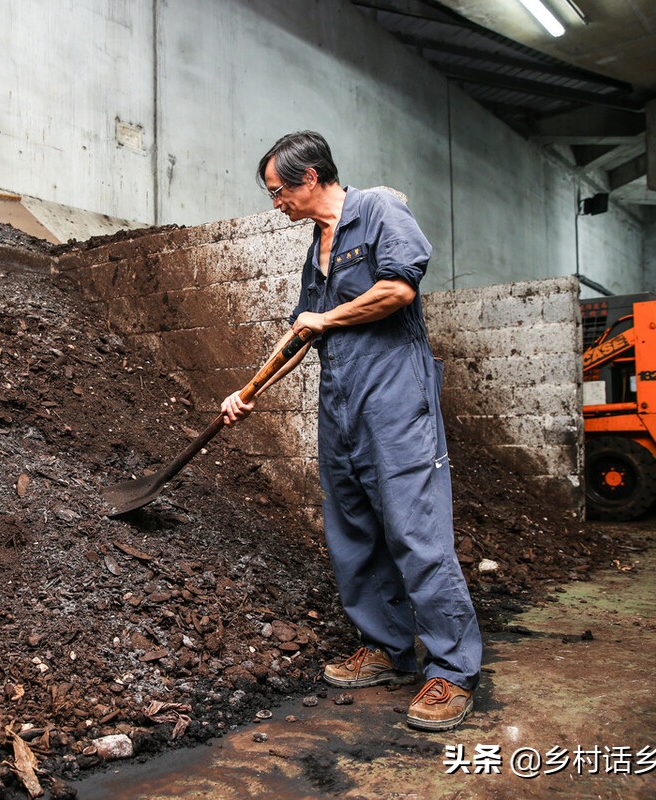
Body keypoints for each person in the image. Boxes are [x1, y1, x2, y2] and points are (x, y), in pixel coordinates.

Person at [221, 131, 481, 732]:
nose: (276, 202)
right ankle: (387, 650)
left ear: (310, 177)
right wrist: (247, 392)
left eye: (278, 190)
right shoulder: (317, 246)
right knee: (354, 531)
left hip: (394, 402)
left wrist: (327, 315)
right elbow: (300, 334)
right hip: (341, 407)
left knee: (417, 533)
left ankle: (451, 669)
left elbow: (398, 289)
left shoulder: (381, 211)